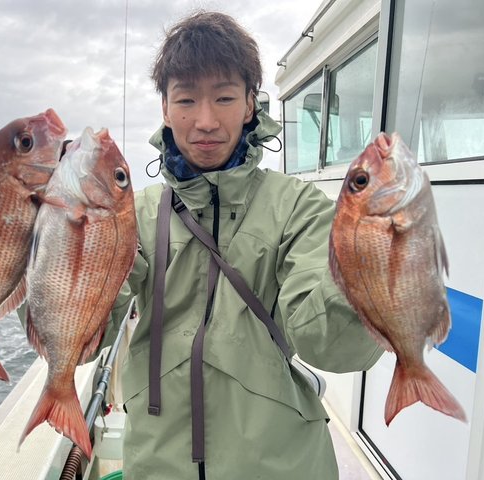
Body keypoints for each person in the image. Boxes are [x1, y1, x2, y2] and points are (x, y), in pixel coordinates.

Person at [103, 10, 383, 479]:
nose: (206, 121)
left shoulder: (298, 207)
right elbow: (83, 339)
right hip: (156, 464)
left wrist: (366, 263)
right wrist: (57, 251)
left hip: (282, 465)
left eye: (225, 97)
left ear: (251, 104)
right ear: (165, 109)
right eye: (186, 99)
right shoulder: (133, 215)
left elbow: (333, 348)